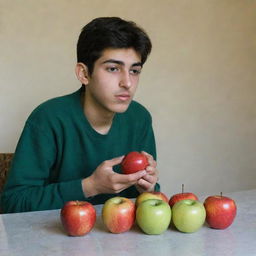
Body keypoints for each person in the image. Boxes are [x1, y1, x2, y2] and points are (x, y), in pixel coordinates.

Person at [1, 17, 160, 213]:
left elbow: (148, 203)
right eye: (113, 68)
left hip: (122, 239)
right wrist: (90, 186)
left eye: (134, 71)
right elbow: (12, 203)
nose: (127, 82)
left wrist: (148, 188)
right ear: (84, 74)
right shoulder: (47, 118)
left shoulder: (140, 118)